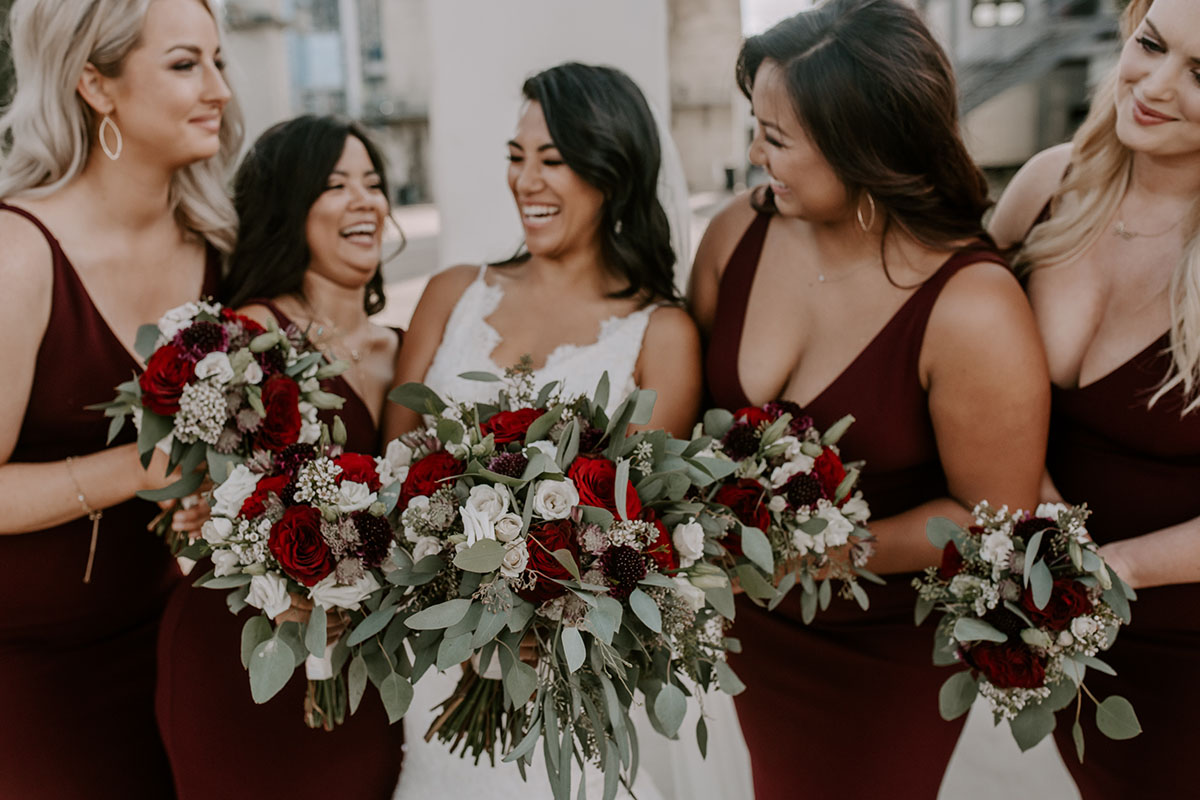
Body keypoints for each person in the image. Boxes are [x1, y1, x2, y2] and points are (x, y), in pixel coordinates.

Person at [688, 1, 1051, 796]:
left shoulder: (972, 309)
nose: (755, 154)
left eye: (776, 138)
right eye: (758, 126)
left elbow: (994, 519)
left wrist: (831, 552)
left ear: (864, 148)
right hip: (755, 631)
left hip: (884, 650)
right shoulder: (732, 237)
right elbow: (686, 431)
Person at [386, 62, 731, 800]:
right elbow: (390, 476)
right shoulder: (453, 293)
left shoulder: (660, 332)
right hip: (439, 666)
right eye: (517, 158)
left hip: (565, 683)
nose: (526, 181)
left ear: (612, 170)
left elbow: (636, 529)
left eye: (553, 160)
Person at [0, 0, 239, 795]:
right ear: (94, 84)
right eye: (184, 64)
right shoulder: (18, 256)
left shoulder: (221, 245)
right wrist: (143, 468)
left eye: (219, 62)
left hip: (192, 658)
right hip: (33, 680)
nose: (219, 90)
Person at [155, 115, 406, 799]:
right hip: (241, 661)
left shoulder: (407, 350)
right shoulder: (248, 340)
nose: (366, 200)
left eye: (374, 183)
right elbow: (194, 498)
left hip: (361, 669)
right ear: (288, 208)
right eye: (335, 185)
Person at [989, 0, 1200, 795]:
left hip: (1185, 647)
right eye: (1151, 44)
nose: (1155, 84)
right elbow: (966, 355)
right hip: (1067, 643)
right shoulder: (1050, 182)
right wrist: (1041, 518)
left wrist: (1107, 570)